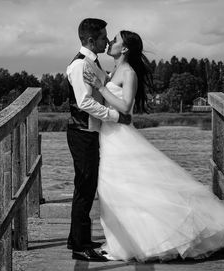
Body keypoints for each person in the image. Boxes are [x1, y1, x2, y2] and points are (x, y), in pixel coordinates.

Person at [83, 30, 224, 262]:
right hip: (109, 137)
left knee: (125, 188)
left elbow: (126, 108)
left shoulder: (128, 72)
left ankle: (145, 243)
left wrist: (101, 87)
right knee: (115, 190)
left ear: (124, 49)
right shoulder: (115, 70)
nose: (110, 42)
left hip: (121, 138)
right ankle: (127, 242)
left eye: (115, 40)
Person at [65, 18, 132, 262]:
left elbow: (103, 89)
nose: (107, 41)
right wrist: (115, 116)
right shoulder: (79, 65)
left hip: (90, 132)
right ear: (91, 40)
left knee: (87, 185)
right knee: (84, 186)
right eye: (104, 37)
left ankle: (77, 238)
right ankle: (80, 246)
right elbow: (84, 102)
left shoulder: (93, 63)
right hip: (82, 132)